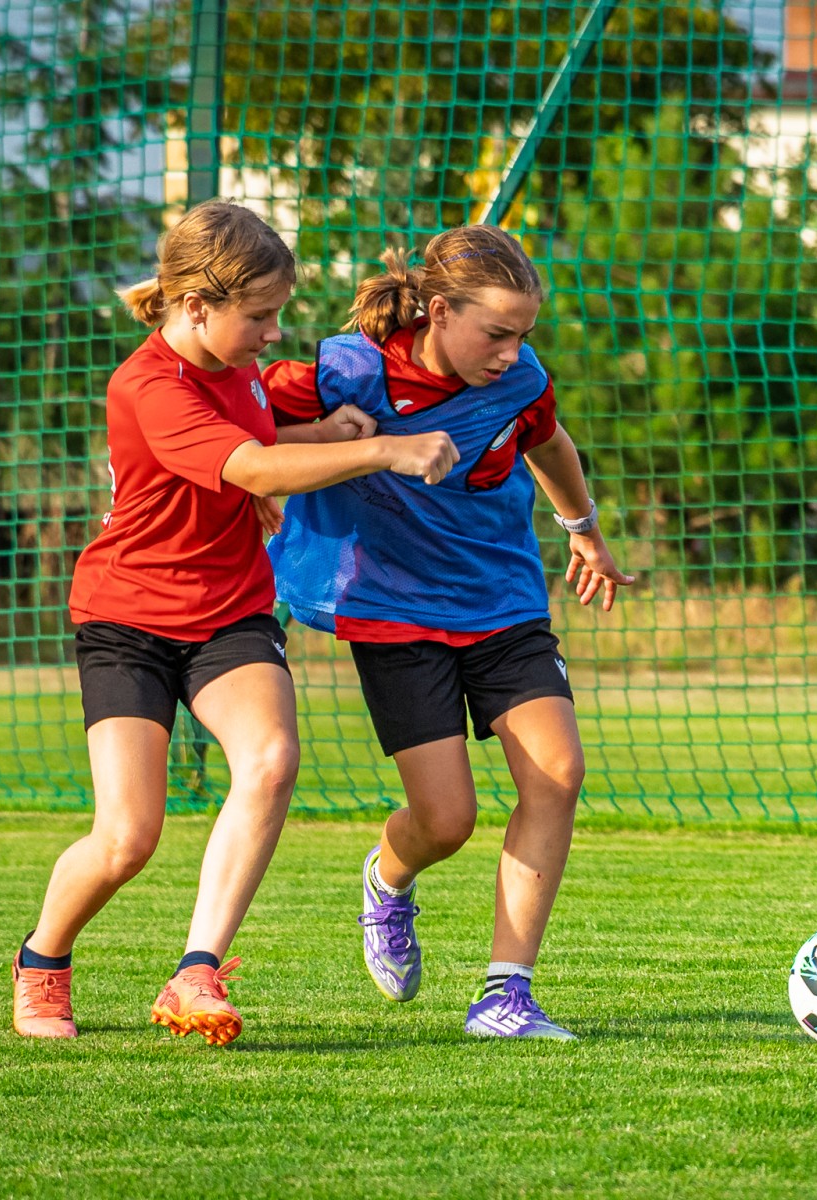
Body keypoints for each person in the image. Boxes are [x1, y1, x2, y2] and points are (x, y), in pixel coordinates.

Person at [11, 200, 458, 1046]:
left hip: (231, 611)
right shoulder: (146, 385)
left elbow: (254, 428)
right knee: (128, 837)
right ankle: (43, 961)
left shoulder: (238, 366)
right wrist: (385, 448)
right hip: (127, 618)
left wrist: (323, 428)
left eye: (277, 313)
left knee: (272, 757)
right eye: (259, 316)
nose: (271, 332)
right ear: (195, 308)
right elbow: (249, 462)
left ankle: (196, 970)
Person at [263, 224, 634, 1040]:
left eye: (523, 335)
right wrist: (350, 444)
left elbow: (548, 440)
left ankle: (507, 995)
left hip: (502, 601)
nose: (510, 353)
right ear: (437, 311)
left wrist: (584, 527)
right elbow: (247, 439)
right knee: (446, 821)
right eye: (495, 333)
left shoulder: (520, 379)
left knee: (559, 771)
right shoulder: (341, 370)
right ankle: (388, 883)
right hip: (392, 610)